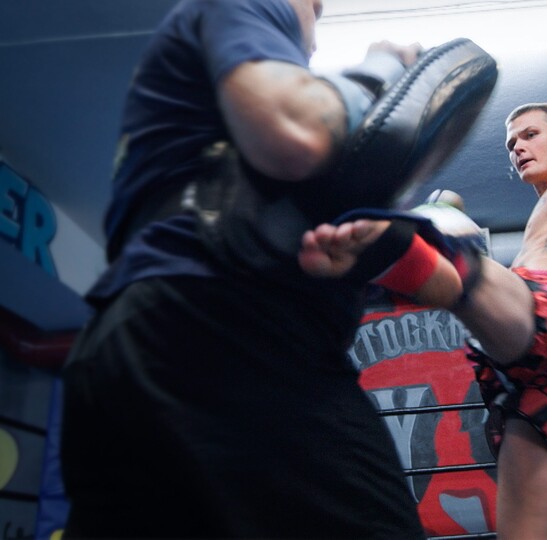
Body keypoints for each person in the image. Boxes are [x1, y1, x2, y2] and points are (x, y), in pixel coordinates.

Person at [56, 0, 496, 536]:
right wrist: (381, 68)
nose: (314, 35)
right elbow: (297, 133)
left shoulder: (250, 158)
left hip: (121, 350)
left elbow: (443, 284)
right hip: (227, 333)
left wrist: (373, 242)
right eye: (317, 11)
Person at [300, 68, 547, 538]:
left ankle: (401, 243)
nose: (518, 147)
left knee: (452, 244)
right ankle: (415, 245)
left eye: (530, 135)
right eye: (512, 143)